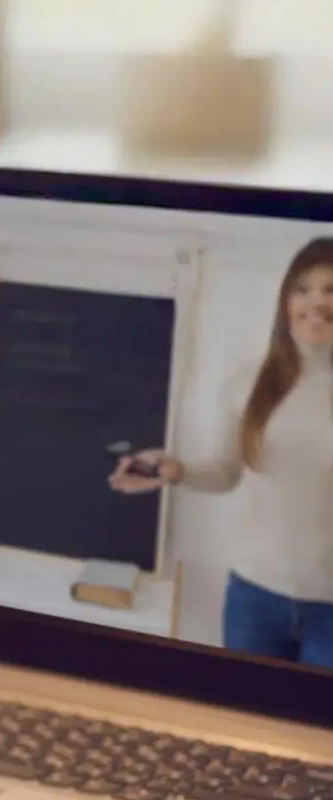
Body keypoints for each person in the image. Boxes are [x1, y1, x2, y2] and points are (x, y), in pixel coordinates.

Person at [109, 237, 333, 664]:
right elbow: (226, 471)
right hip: (254, 598)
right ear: (286, 302)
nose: (317, 302)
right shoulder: (248, 382)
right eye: (303, 289)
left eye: (331, 290)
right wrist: (176, 469)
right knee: (245, 708)